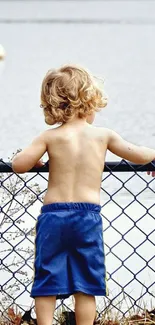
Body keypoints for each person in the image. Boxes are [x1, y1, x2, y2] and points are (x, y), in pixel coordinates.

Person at [12, 64, 155, 325]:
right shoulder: (103, 136)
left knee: (47, 278)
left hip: (54, 216)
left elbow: (19, 164)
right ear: (90, 100)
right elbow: (138, 154)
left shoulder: (50, 137)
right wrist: (153, 156)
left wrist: (34, 162)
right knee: (86, 283)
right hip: (86, 217)